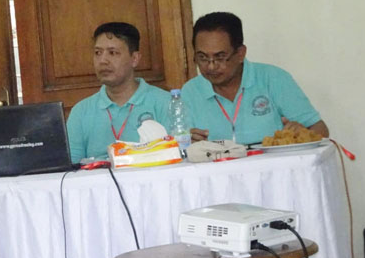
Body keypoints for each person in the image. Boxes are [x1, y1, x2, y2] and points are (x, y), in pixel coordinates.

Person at [182, 12, 329, 145]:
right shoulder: (190, 91)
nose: (211, 66)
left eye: (220, 57)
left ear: (240, 53)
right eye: (202, 58)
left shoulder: (273, 78)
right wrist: (186, 143)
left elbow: (320, 129)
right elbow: (178, 145)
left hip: (274, 166)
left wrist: (303, 134)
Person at [66, 22, 171, 163]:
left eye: (112, 53)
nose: (103, 61)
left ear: (135, 59)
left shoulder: (166, 103)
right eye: (98, 53)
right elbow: (70, 168)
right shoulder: (81, 112)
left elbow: (176, 158)